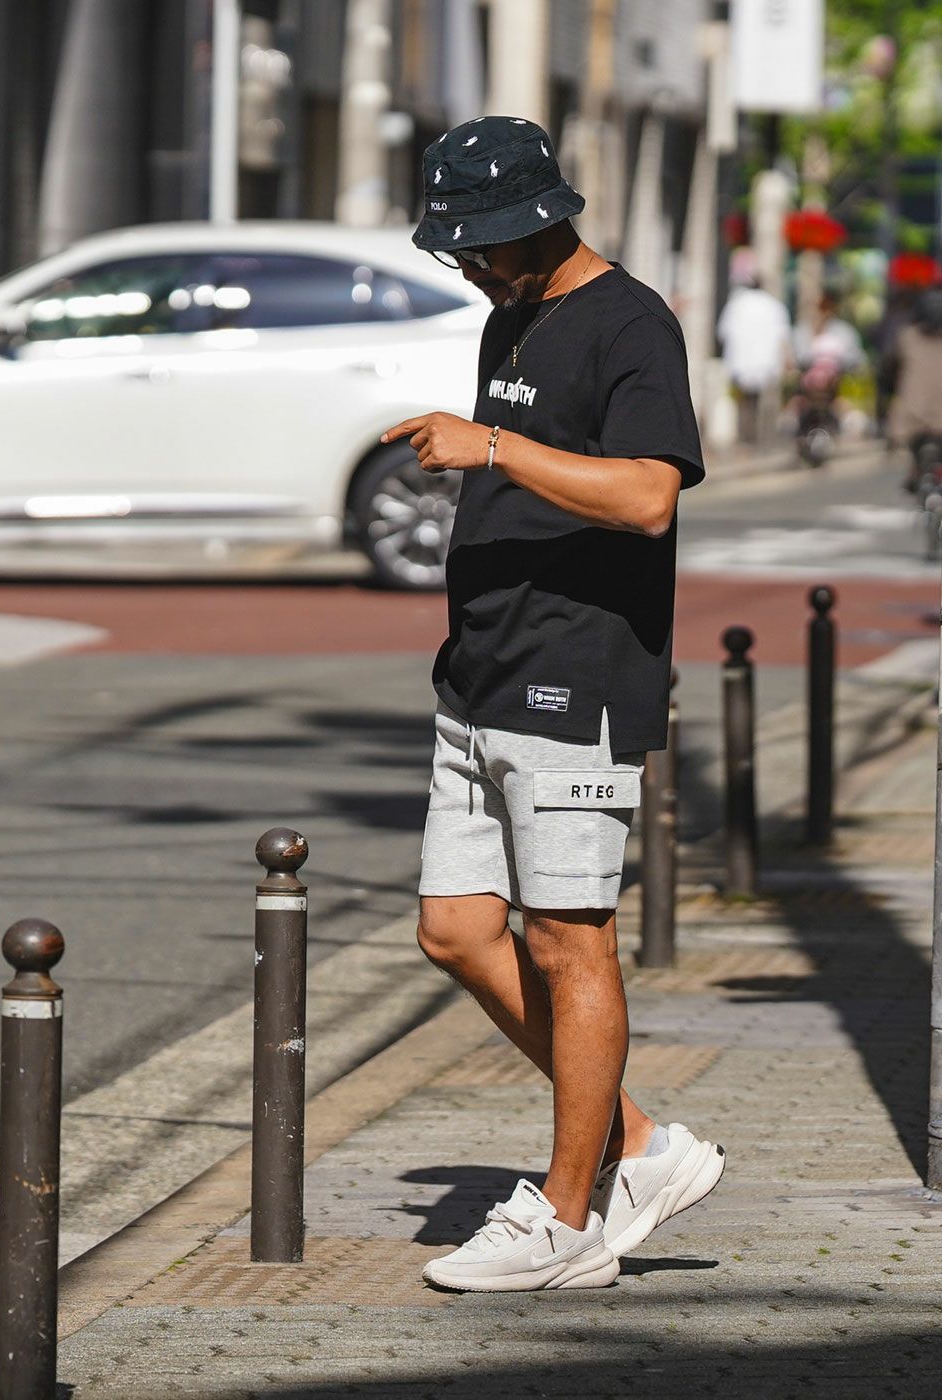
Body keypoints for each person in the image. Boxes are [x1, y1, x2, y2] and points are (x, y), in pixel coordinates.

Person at [380, 116, 724, 1293]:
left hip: (574, 680)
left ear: (538, 223)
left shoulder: (631, 323)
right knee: (455, 928)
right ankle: (639, 1141)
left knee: (568, 940)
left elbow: (646, 495)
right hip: (480, 671)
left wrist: (491, 446)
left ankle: (568, 1220)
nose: (470, 267)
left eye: (481, 246)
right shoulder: (510, 314)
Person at [716, 273, 793, 444]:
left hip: (740, 363)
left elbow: (722, 333)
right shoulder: (774, 305)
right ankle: (764, 441)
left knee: (744, 404)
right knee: (765, 404)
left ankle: (744, 440)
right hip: (767, 363)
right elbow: (783, 337)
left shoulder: (736, 304)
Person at [886, 285, 942, 491]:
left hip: (912, 419)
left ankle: (916, 473)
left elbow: (889, 371)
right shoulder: (907, 338)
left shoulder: (907, 337)